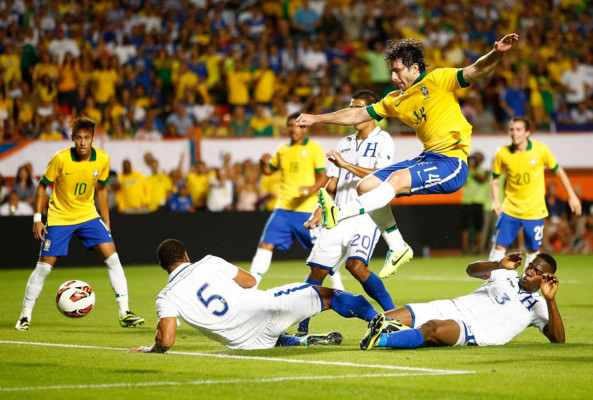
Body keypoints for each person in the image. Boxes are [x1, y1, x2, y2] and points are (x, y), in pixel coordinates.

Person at [296, 33, 520, 280]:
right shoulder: (395, 100)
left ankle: (339, 212)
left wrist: (498, 52)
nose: (393, 77)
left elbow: (477, 70)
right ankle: (398, 247)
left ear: (414, 67)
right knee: (366, 186)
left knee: (395, 180)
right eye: (391, 71)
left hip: (451, 162)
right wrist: (316, 119)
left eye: (397, 71)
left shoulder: (439, 79)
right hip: (426, 158)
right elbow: (356, 115)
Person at [129, 239, 378, 352]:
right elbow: (249, 282)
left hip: (243, 344)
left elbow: (168, 340)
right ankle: (382, 322)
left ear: (162, 267)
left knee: (272, 339)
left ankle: (299, 342)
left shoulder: (165, 297)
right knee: (331, 295)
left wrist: (153, 348)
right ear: (186, 256)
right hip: (264, 310)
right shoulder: (208, 262)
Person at [15, 117, 144, 331]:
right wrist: (38, 219)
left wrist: (106, 220)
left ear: (93, 138)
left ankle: (125, 312)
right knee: (44, 268)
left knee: (113, 259)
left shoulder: (102, 159)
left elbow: (102, 188)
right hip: (59, 217)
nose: (83, 142)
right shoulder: (60, 158)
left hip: (88, 216)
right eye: (78, 138)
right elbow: (41, 186)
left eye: (87, 138)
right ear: (73, 138)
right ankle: (24, 315)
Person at [296, 90, 395, 336]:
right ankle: (302, 328)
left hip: (366, 214)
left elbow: (382, 178)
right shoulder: (345, 143)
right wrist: (319, 210)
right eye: (350, 108)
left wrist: (346, 164)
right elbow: (332, 184)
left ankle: (395, 317)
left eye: (358, 108)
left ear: (372, 112)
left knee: (356, 266)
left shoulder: (384, 140)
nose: (352, 113)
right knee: (316, 272)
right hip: (338, 215)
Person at [359, 252, 565, 350]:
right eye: (530, 266)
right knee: (381, 318)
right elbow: (471, 270)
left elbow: (558, 339)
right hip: (449, 306)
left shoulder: (538, 305)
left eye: (537, 272)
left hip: (471, 328)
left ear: (545, 279)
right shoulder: (506, 275)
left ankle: (380, 340)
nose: (529, 272)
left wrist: (551, 300)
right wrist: (498, 264)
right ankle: (378, 331)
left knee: (431, 328)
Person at [249, 112, 329, 288]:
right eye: (290, 125)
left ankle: (338, 288)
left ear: (304, 128)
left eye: (297, 125)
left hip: (307, 210)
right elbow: (268, 171)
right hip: (283, 209)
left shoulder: (314, 148)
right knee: (265, 244)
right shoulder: (282, 149)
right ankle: (251, 287)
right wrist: (263, 163)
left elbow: (323, 177)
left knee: (323, 250)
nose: (293, 129)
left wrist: (310, 189)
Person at [489, 117, 581, 265]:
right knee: (499, 246)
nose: (514, 133)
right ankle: (492, 282)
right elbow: (495, 179)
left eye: (519, 129)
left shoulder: (541, 150)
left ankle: (528, 287)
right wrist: (495, 201)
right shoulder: (502, 153)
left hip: (534, 210)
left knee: (532, 250)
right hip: (510, 208)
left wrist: (572, 195)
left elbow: (558, 171)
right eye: (512, 129)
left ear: (527, 132)